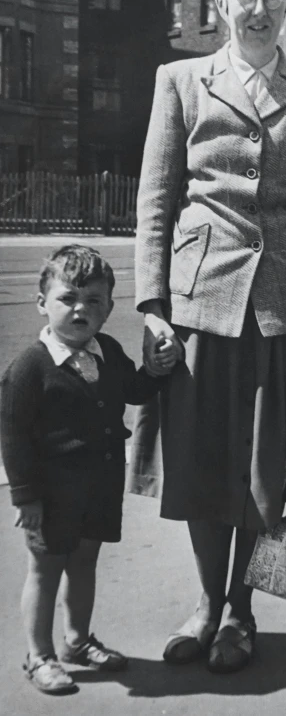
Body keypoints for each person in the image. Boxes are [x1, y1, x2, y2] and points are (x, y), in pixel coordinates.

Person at [130, 0, 286, 673]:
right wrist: (153, 303)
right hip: (198, 305)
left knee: (264, 472)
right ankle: (205, 602)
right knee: (198, 465)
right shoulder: (180, 80)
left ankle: (240, 613)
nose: (258, 9)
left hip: (283, 306)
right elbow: (156, 200)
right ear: (220, 2)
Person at [0, 245, 168, 695]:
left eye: (94, 301)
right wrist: (26, 497)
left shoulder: (108, 351)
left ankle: (76, 641)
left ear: (109, 308)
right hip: (51, 496)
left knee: (85, 563)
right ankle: (39, 656)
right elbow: (14, 438)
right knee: (46, 569)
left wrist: (155, 369)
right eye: (68, 298)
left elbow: (134, 391)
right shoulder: (29, 368)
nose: (81, 309)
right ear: (42, 303)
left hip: (98, 487)